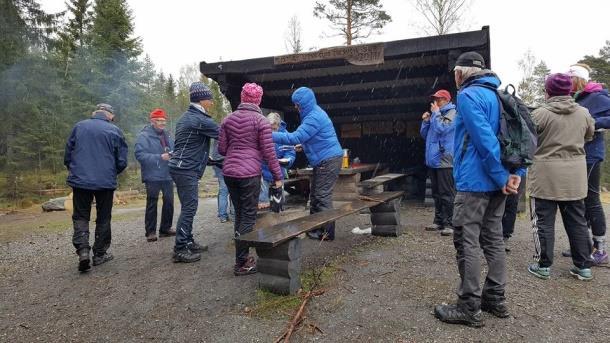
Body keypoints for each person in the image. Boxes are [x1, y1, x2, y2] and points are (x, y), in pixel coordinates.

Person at [434, 52, 524, 327]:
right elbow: (522, 139)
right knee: (493, 240)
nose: (455, 79)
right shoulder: (501, 96)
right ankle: (494, 298)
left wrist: (500, 177)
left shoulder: (469, 96)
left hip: (476, 182)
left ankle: (469, 306)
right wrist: (515, 174)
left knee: (467, 241)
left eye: (455, 74)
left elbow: (485, 140)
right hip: (501, 183)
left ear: (461, 74)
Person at [526, 73, 595, 281]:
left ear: (548, 91)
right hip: (575, 176)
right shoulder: (583, 113)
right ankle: (583, 266)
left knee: (543, 222)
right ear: (569, 91)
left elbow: (528, 140)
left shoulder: (539, 114)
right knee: (577, 221)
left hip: (545, 176)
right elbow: (589, 135)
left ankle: (543, 265)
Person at [218, 83, 283, 276]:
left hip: (230, 173)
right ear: (258, 100)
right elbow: (269, 153)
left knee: (239, 215)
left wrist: (237, 147)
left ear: (242, 97)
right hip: (249, 174)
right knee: (247, 217)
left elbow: (222, 149)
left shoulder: (228, 119)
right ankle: (242, 263)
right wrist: (278, 176)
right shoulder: (260, 121)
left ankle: (242, 257)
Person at [272, 87, 343, 241]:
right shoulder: (314, 113)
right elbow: (315, 138)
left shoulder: (313, 117)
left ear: (303, 104)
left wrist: (268, 135)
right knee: (316, 195)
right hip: (326, 159)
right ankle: (315, 228)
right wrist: (303, 146)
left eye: (297, 104)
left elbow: (294, 137)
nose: (296, 107)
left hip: (328, 159)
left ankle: (327, 233)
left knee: (322, 196)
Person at [64, 103, 128, 272]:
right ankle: (99, 254)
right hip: (105, 182)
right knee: (104, 216)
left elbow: (68, 155)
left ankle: (83, 250)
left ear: (95, 113)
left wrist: (75, 171)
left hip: (81, 181)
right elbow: (122, 160)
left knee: (80, 216)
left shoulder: (79, 127)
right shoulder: (115, 130)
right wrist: (112, 172)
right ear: (110, 115)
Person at [562, 63, 610, 265]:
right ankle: (584, 244)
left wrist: (591, 124)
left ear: (578, 79)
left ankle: (600, 249)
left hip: (591, 154)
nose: (567, 83)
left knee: (591, 198)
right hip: (577, 153)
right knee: (579, 199)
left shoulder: (598, 96)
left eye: (570, 79)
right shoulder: (577, 97)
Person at [168, 82, 219, 263]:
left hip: (180, 166)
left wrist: (210, 160)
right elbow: (225, 134)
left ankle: (188, 240)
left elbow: (189, 145)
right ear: (202, 100)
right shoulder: (199, 119)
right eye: (210, 99)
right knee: (189, 208)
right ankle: (180, 249)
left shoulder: (187, 117)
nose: (212, 103)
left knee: (188, 207)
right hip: (185, 168)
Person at [134, 108, 176, 242]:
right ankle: (150, 232)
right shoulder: (144, 136)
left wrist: (173, 154)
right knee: (152, 203)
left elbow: (174, 148)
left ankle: (165, 229)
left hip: (167, 173)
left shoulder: (167, 135)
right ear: (152, 121)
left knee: (169, 201)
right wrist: (159, 157)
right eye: (159, 121)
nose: (163, 123)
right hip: (152, 175)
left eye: (164, 120)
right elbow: (140, 155)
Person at [420, 89, 457, 237]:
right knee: (436, 194)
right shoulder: (436, 115)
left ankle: (449, 224)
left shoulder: (452, 114)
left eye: (439, 99)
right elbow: (424, 135)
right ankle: (438, 221)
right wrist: (425, 122)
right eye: (435, 99)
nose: (436, 102)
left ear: (446, 100)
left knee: (447, 194)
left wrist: (435, 114)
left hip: (445, 161)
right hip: (433, 161)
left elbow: (443, 128)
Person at [259, 112, 296, 208]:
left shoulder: (285, 135)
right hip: (262, 173)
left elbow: (290, 152)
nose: (272, 132)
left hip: (279, 173)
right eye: (270, 129)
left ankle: (278, 217)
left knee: (278, 203)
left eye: (274, 129)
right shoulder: (260, 133)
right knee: (263, 203)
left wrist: (288, 160)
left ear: (279, 126)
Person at [209, 139, 233, 223]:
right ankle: (233, 214)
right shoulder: (231, 133)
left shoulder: (217, 135)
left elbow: (214, 155)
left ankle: (222, 215)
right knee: (233, 190)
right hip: (230, 165)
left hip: (220, 166)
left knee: (223, 192)